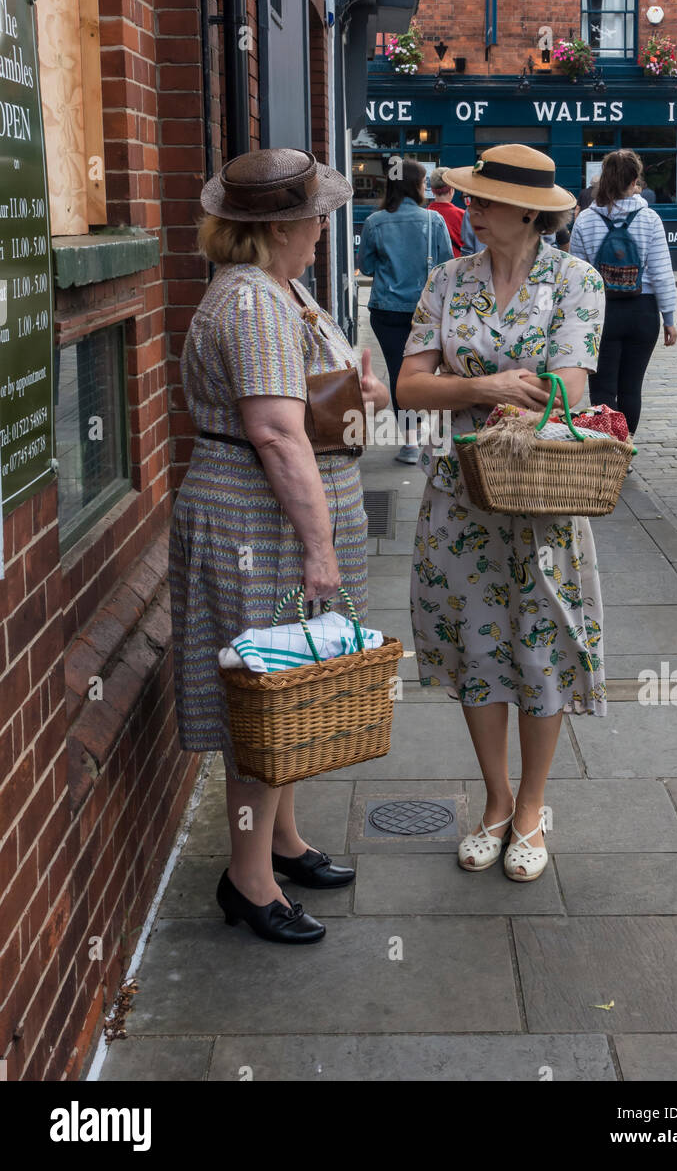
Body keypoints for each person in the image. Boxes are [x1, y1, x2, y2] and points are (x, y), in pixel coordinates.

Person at [168, 148, 391, 945]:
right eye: (316, 216)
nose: (324, 229)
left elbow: (310, 405)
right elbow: (271, 430)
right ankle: (247, 878)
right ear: (281, 227)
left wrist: (358, 394)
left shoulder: (282, 292)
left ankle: (283, 841)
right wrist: (318, 550)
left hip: (279, 521)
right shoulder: (255, 306)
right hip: (258, 529)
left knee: (289, 693)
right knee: (261, 701)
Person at [397, 145, 606, 883]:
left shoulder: (575, 279)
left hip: (543, 498)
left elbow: (572, 388)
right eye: (470, 198)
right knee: (478, 651)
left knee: (541, 650)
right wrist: (483, 387)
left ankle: (531, 810)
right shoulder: (445, 280)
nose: (469, 209)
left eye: (481, 200)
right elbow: (409, 386)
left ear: (528, 212)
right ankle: (493, 802)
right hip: (461, 494)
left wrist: (478, 384)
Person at [569, 147, 677, 438]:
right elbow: (661, 272)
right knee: (631, 388)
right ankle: (624, 448)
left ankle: (608, 448)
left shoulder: (586, 220)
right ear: (634, 181)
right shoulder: (650, 219)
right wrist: (668, 317)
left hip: (602, 313)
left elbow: (579, 277)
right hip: (643, 311)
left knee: (603, 388)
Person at [356, 158, 453, 463]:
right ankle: (438, 437)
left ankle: (410, 442)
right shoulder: (433, 221)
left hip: (386, 311)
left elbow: (367, 266)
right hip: (426, 310)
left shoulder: (374, 222)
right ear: (415, 185)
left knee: (400, 375)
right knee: (435, 373)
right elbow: (446, 267)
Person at [427, 166, 466, 255]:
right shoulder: (463, 215)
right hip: (457, 265)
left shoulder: (425, 216)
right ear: (451, 190)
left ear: (432, 191)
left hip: (432, 265)